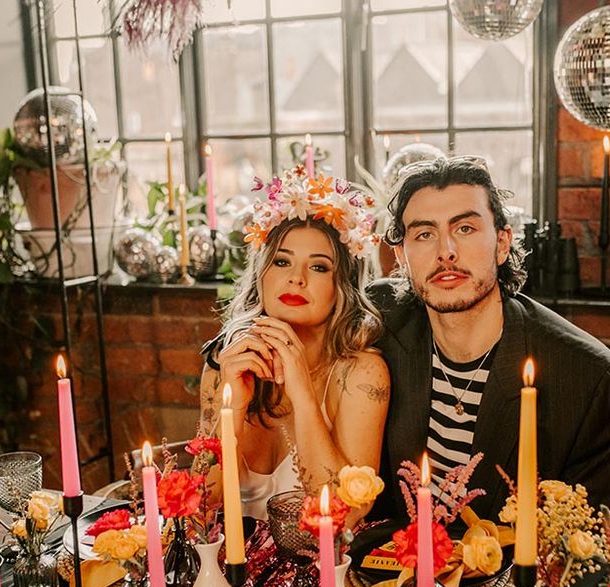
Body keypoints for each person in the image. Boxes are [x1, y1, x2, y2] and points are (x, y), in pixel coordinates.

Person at [369, 156, 610, 520]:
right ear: (401, 256)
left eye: (464, 228)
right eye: (424, 234)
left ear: (501, 243)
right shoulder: (381, 326)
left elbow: (588, 548)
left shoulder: (586, 378)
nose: (445, 251)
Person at [199, 169, 390, 520]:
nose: (296, 278)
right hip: (234, 571)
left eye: (318, 267)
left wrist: (302, 395)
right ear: (262, 273)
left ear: (341, 286)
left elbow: (345, 514)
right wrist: (233, 410)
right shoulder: (226, 363)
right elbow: (200, 508)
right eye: (282, 261)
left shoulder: (361, 373)